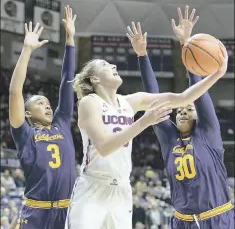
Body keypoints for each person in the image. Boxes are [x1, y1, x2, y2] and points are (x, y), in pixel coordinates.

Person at [65, 16, 231, 228]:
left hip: (123, 190)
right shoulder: (90, 102)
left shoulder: (132, 102)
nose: (113, 64)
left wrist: (216, 72)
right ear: (95, 79)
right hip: (94, 185)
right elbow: (105, 146)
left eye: (189, 110)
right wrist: (144, 120)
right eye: (106, 65)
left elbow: (184, 97)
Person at [127, 5, 234, 229]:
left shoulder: (208, 134)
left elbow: (199, 92)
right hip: (181, 222)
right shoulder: (169, 139)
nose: (183, 110)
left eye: (189, 109)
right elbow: (154, 99)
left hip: (217, 219)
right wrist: (142, 55)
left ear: (199, 117)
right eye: (180, 110)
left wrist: (186, 44)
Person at [9, 5, 76, 229]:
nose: (47, 107)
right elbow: (15, 92)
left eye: (48, 104)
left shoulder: (62, 123)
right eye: (40, 103)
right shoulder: (24, 133)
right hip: (35, 212)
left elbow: (68, 81)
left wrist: (70, 40)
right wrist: (27, 50)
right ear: (27, 113)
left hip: (66, 212)